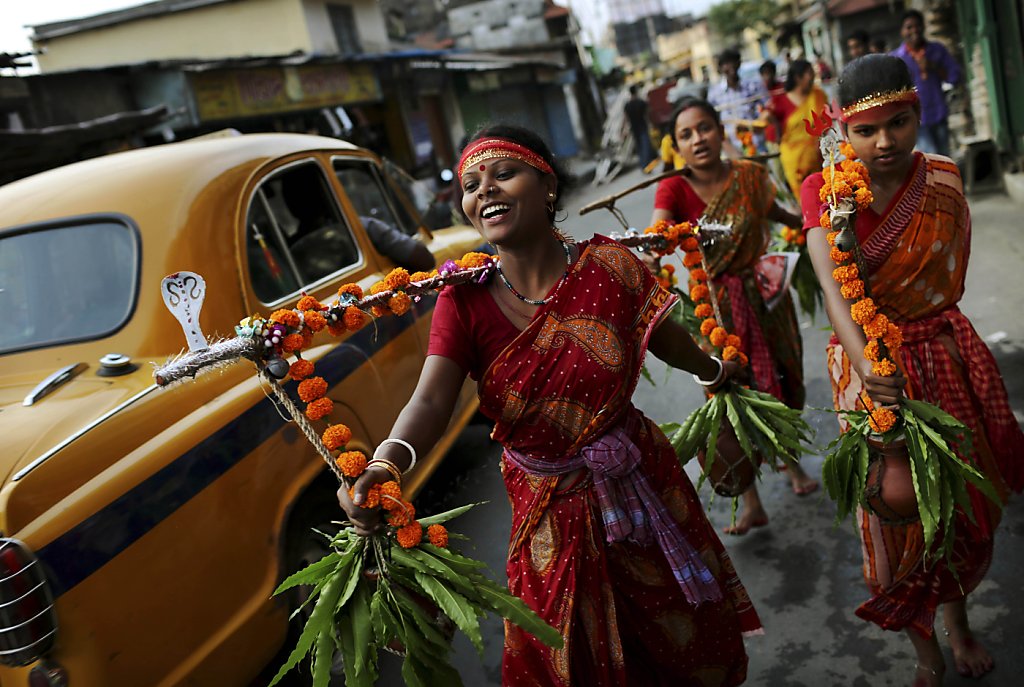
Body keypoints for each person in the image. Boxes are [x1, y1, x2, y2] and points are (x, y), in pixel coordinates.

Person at [338, 123, 763, 685]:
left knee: (677, 636)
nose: (483, 190)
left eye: (503, 173)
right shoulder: (461, 301)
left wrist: (716, 371)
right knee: (566, 654)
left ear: (548, 187)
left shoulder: (610, 268)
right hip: (549, 512)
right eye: (471, 184)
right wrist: (384, 465)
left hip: (641, 479)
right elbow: (431, 402)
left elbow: (668, 339)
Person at [800, 54, 1023, 686]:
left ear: (918, 114)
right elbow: (832, 288)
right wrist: (870, 362)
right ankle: (925, 653)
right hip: (870, 372)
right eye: (866, 131)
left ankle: (959, 625)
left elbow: (947, 278)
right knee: (895, 515)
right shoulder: (825, 190)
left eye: (898, 123)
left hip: (942, 352)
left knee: (955, 504)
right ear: (842, 133)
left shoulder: (946, 180)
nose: (884, 142)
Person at [652, 98, 818, 536]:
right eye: (686, 134)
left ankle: (792, 464)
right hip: (717, 311)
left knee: (782, 379)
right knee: (728, 395)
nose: (698, 139)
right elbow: (657, 232)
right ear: (677, 146)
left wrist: (819, 224)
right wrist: (655, 247)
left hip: (768, 299)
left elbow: (781, 216)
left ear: (719, 131)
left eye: (704, 128)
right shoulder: (673, 189)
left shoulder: (750, 176)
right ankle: (752, 501)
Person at [892, 9, 961, 156]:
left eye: (917, 25)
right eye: (909, 27)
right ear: (902, 31)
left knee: (944, 156)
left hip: (938, 112)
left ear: (923, 26)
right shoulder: (896, 59)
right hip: (914, 118)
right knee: (930, 156)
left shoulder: (937, 50)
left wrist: (933, 66)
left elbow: (954, 76)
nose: (914, 30)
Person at [762, 59, 827, 197]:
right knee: (805, 196)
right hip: (794, 158)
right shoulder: (780, 101)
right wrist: (767, 118)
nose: (813, 78)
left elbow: (826, 120)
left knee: (826, 194)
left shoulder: (818, 95)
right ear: (798, 77)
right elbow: (767, 122)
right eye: (809, 74)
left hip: (819, 154)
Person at [708, 48, 763, 157]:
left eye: (734, 61)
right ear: (721, 68)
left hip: (757, 145)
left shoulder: (752, 86)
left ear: (739, 63)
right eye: (726, 64)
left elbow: (767, 110)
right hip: (731, 150)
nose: (731, 66)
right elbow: (711, 120)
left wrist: (756, 124)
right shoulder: (714, 94)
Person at [624, 84, 655, 169]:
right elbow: (647, 114)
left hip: (634, 128)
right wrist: (651, 124)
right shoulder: (641, 102)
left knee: (639, 146)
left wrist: (626, 130)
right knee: (645, 145)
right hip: (642, 126)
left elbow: (626, 118)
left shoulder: (627, 105)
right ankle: (645, 164)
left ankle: (643, 163)